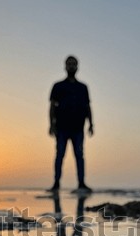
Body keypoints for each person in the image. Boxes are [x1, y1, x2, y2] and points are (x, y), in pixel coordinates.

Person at [48, 55, 94, 192]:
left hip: (78, 128)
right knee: (60, 154)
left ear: (77, 67)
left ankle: (81, 183)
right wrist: (51, 124)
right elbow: (51, 106)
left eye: (74, 64)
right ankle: (56, 183)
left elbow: (87, 106)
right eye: (69, 64)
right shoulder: (58, 86)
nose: (71, 66)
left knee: (79, 155)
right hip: (62, 127)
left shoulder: (83, 87)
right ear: (65, 66)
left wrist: (91, 124)